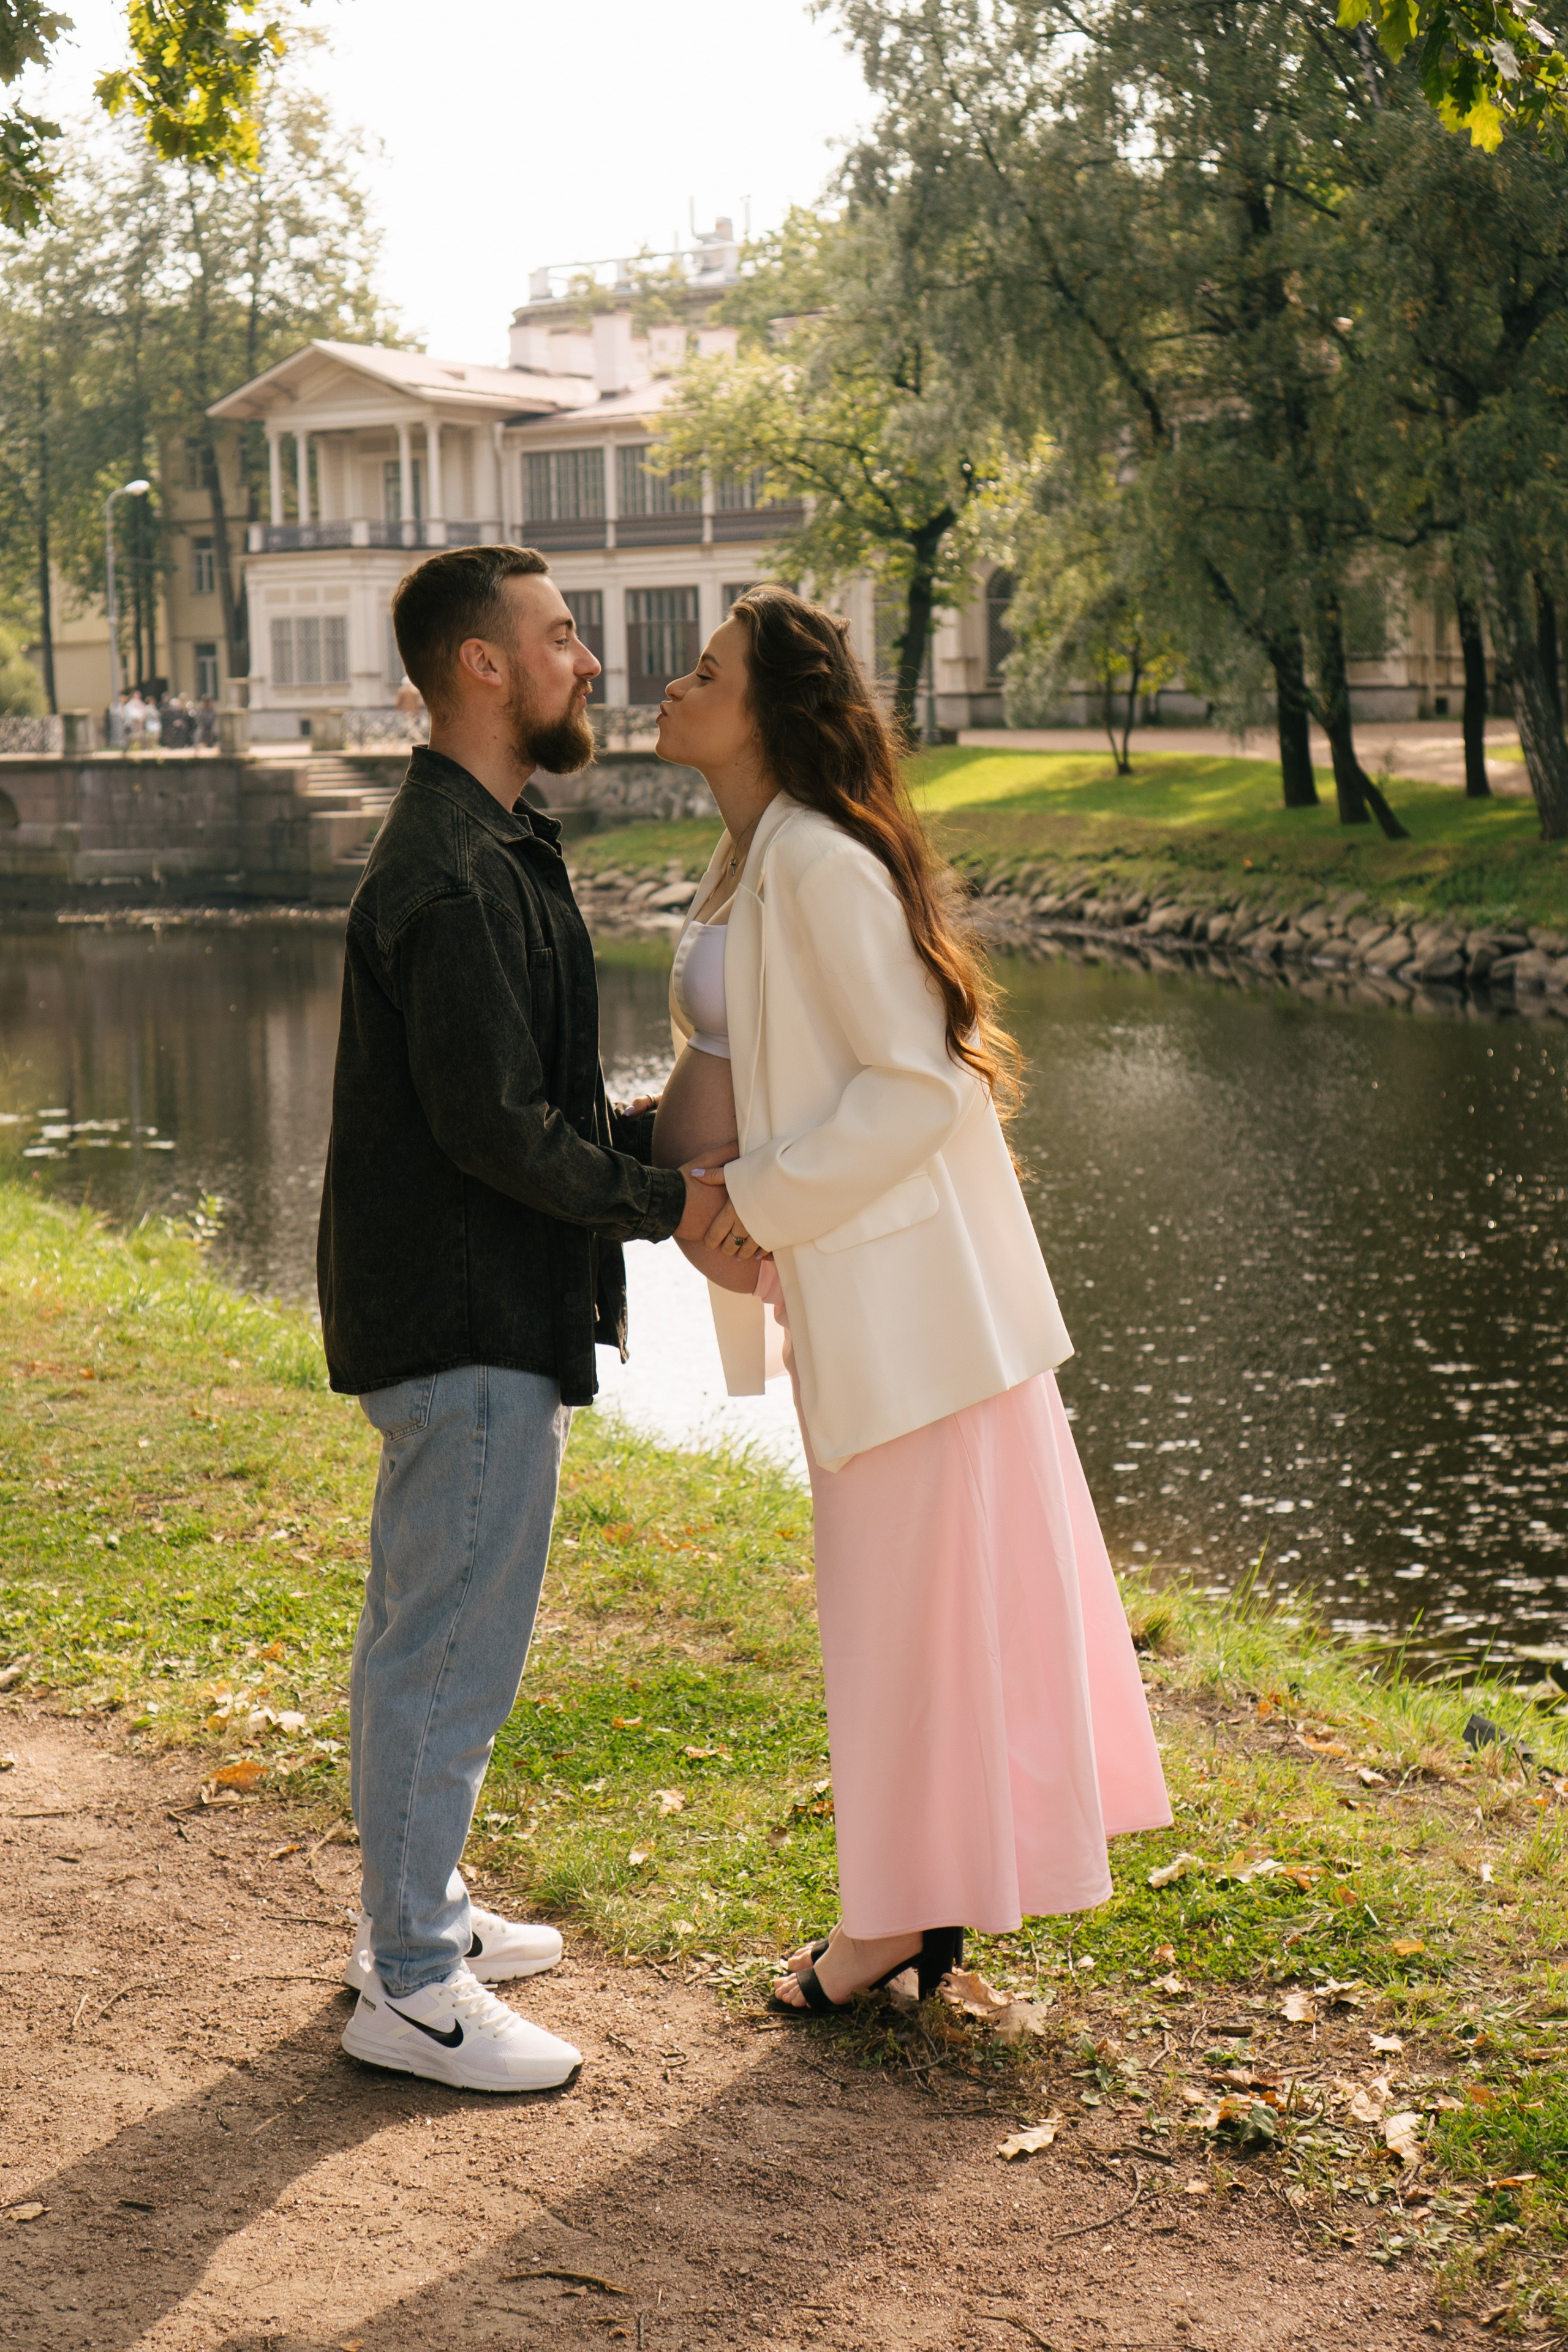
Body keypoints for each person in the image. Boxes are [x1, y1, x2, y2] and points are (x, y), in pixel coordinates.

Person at [650, 587, 1172, 2012]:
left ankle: (887, 1923)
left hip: (908, 1309)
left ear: (770, 712)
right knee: (901, 1619)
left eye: (706, 672)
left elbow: (915, 1088)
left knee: (899, 1623)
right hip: (852, 1293)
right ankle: (913, 1902)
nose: (673, 687)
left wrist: (758, 1199)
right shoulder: (756, 849)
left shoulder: (818, 861)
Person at [318, 544, 733, 2092]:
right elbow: (493, 1130)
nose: (589, 659)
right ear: (481, 665)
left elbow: (520, 1105)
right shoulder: (446, 870)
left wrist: (660, 1146)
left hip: (473, 1302)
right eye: (560, 636)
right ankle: (413, 1985)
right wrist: (671, 1203)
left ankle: (407, 1920)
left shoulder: (487, 843)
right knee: (445, 1653)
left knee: (421, 1639)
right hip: (466, 1315)